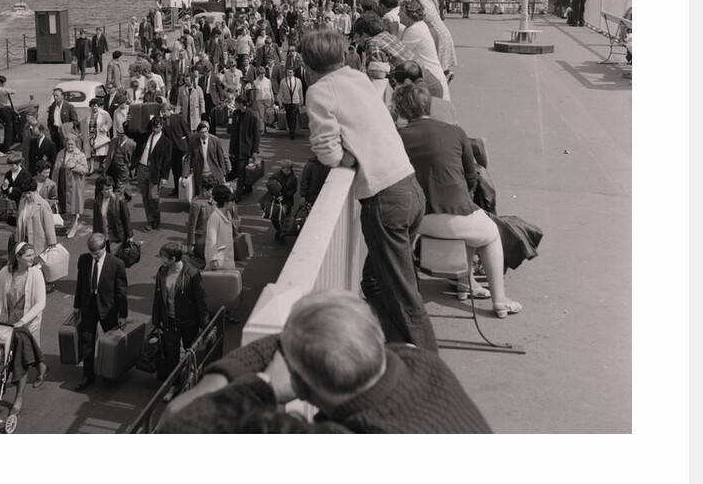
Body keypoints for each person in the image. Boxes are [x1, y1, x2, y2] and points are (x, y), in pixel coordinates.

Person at [157, 291, 490, 434]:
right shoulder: (422, 363)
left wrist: (265, 386)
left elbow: (179, 424)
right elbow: (333, 337)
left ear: (300, 385)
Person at [299, 29, 437, 352]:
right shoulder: (360, 79)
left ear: (308, 65)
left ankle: (428, 373)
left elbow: (325, 149)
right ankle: (400, 350)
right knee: (378, 283)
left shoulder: (319, 92)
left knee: (404, 298)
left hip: (385, 200)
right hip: (411, 189)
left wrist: (345, 156)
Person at [392, 81, 521, 318]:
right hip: (455, 212)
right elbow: (472, 177)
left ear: (400, 111)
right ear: (427, 106)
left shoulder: (398, 136)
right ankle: (499, 301)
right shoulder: (455, 132)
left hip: (417, 218)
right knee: (488, 233)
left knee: (471, 224)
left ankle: (466, 284)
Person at [0, 241, 49, 414]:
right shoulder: (4, 273)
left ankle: (18, 398)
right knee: (27, 355)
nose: (33, 258)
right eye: (29, 255)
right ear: (18, 257)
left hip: (28, 324)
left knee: (21, 360)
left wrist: (23, 321)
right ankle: (41, 367)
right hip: (10, 324)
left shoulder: (36, 274)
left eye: (33, 254)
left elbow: (40, 303)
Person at [73, 233, 129, 391]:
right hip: (88, 307)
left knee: (112, 342)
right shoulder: (83, 260)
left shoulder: (117, 264)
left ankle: (112, 372)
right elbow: (80, 284)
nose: (93, 256)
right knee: (87, 341)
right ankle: (88, 375)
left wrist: (123, 315)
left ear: (104, 248)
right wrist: (77, 304)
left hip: (108, 308)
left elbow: (121, 292)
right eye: (91, 253)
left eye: (96, 253)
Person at [152, 241, 210, 385]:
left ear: (173, 259)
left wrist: (204, 323)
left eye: (164, 257)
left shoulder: (192, 274)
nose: (161, 260)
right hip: (170, 321)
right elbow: (158, 296)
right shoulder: (162, 271)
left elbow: (200, 300)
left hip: (188, 322)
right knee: (171, 354)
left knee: (190, 351)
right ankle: (173, 385)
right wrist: (156, 319)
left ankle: (191, 380)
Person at [397, 0, 450, 99]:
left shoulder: (414, 30)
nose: (398, 14)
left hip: (429, 81)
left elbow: (398, 55)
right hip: (430, 78)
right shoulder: (418, 26)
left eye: (400, 11)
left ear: (405, 13)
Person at [13, 173, 58, 276]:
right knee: (28, 262)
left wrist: (52, 243)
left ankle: (44, 283)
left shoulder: (42, 204)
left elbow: (49, 225)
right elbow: (19, 219)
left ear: (35, 190)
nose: (27, 196)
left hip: (39, 240)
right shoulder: (22, 202)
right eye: (24, 194)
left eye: (29, 193)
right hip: (24, 238)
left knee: (40, 264)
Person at [134, 114, 172, 231]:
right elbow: (131, 133)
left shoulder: (166, 142)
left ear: (162, 127)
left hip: (154, 172)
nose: (155, 129)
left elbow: (167, 161)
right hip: (141, 168)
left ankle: (156, 219)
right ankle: (150, 221)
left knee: (153, 196)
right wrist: (127, 123)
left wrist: (164, 177)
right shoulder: (145, 136)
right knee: (145, 197)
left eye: (158, 127)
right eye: (154, 127)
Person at [52, 135, 89, 240]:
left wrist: (74, 167)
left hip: (74, 185)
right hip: (61, 183)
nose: (69, 146)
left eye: (72, 144)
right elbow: (56, 168)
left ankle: (73, 227)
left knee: (72, 207)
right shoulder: (60, 153)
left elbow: (85, 170)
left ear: (76, 144)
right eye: (68, 144)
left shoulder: (80, 155)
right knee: (65, 205)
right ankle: (73, 223)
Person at [228, 95, 261, 201]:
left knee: (241, 171)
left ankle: (238, 194)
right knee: (238, 170)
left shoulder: (252, 116)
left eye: (236, 103)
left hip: (246, 149)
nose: (234, 105)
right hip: (236, 147)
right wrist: (231, 150)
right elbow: (232, 132)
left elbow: (256, 135)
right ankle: (248, 187)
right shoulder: (235, 113)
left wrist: (255, 150)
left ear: (241, 104)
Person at [92, 175, 134, 253]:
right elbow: (96, 220)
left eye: (111, 188)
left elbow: (126, 219)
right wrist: (95, 235)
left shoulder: (120, 200)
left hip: (117, 237)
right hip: (104, 238)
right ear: (101, 190)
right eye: (106, 189)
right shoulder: (97, 202)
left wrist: (130, 236)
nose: (109, 191)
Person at [187, 121, 231, 194]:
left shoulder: (215, 140)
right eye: (202, 132)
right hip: (201, 175)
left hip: (214, 174)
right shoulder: (193, 142)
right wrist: (185, 175)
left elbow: (221, 157)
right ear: (198, 133)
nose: (204, 134)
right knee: (202, 197)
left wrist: (223, 173)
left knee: (216, 197)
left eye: (205, 132)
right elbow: (188, 158)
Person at [260, 160, 297, 244]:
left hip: (287, 201)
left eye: (290, 170)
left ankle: (281, 234)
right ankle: (279, 231)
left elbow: (293, 190)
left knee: (284, 218)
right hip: (277, 200)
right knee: (275, 217)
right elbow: (270, 185)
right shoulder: (276, 176)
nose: (289, 172)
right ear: (282, 169)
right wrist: (277, 194)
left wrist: (285, 195)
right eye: (287, 170)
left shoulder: (293, 178)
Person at [203, 184, 237, 270]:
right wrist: (213, 260)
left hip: (227, 257)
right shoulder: (214, 218)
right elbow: (211, 240)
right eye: (231, 201)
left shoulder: (228, 214)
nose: (233, 203)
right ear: (225, 202)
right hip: (219, 261)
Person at [160, 103, 191, 197]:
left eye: (164, 111)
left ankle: (185, 189)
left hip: (182, 147)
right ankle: (177, 189)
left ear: (169, 110)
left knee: (183, 169)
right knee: (175, 169)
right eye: (162, 112)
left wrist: (190, 146)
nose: (163, 114)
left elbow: (187, 131)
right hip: (172, 149)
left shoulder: (178, 118)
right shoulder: (163, 121)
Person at [186, 174, 217, 267]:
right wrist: (190, 244)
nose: (213, 192)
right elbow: (191, 226)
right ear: (204, 189)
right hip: (201, 241)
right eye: (211, 190)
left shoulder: (213, 201)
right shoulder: (196, 204)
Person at [0, 75, 18, 152]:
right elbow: (14, 91)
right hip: (7, 109)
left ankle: (5, 146)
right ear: (1, 83)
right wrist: (8, 88)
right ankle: (6, 148)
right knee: (9, 129)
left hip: (0, 109)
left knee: (5, 128)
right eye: (4, 82)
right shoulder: (2, 90)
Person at [47, 87, 80, 152]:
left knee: (66, 149)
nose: (55, 97)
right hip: (55, 132)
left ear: (62, 96)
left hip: (65, 132)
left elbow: (75, 121)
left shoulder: (69, 107)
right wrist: (51, 130)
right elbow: (49, 121)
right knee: (56, 150)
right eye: (54, 96)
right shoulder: (52, 107)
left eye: (57, 95)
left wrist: (65, 127)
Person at [85, 98, 113, 175]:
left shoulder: (104, 113)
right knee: (91, 152)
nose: (94, 108)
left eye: (96, 106)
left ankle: (100, 166)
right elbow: (86, 123)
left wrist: (104, 128)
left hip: (100, 134)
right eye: (92, 106)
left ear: (98, 106)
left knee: (101, 152)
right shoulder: (88, 113)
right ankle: (92, 168)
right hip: (91, 135)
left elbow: (110, 122)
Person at [277, 65, 304, 140]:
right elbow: (281, 92)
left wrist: (302, 102)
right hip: (287, 102)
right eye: (288, 72)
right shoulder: (283, 81)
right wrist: (280, 103)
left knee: (293, 116)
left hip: (296, 101)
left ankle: (292, 131)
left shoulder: (298, 81)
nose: (289, 74)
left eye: (291, 72)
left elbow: (300, 92)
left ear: (293, 73)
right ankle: (291, 129)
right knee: (289, 117)